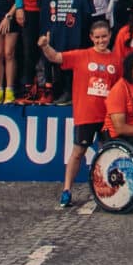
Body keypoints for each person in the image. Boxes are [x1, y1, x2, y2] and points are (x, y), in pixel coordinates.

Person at [39, 19, 121, 209]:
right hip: (86, 115)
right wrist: (45, 46)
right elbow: (55, 57)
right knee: (78, 153)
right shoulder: (82, 55)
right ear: (91, 37)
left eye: (104, 36)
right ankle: (67, 190)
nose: (101, 40)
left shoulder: (117, 60)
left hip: (108, 117)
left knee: (109, 153)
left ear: (110, 36)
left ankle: (110, 190)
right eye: (97, 37)